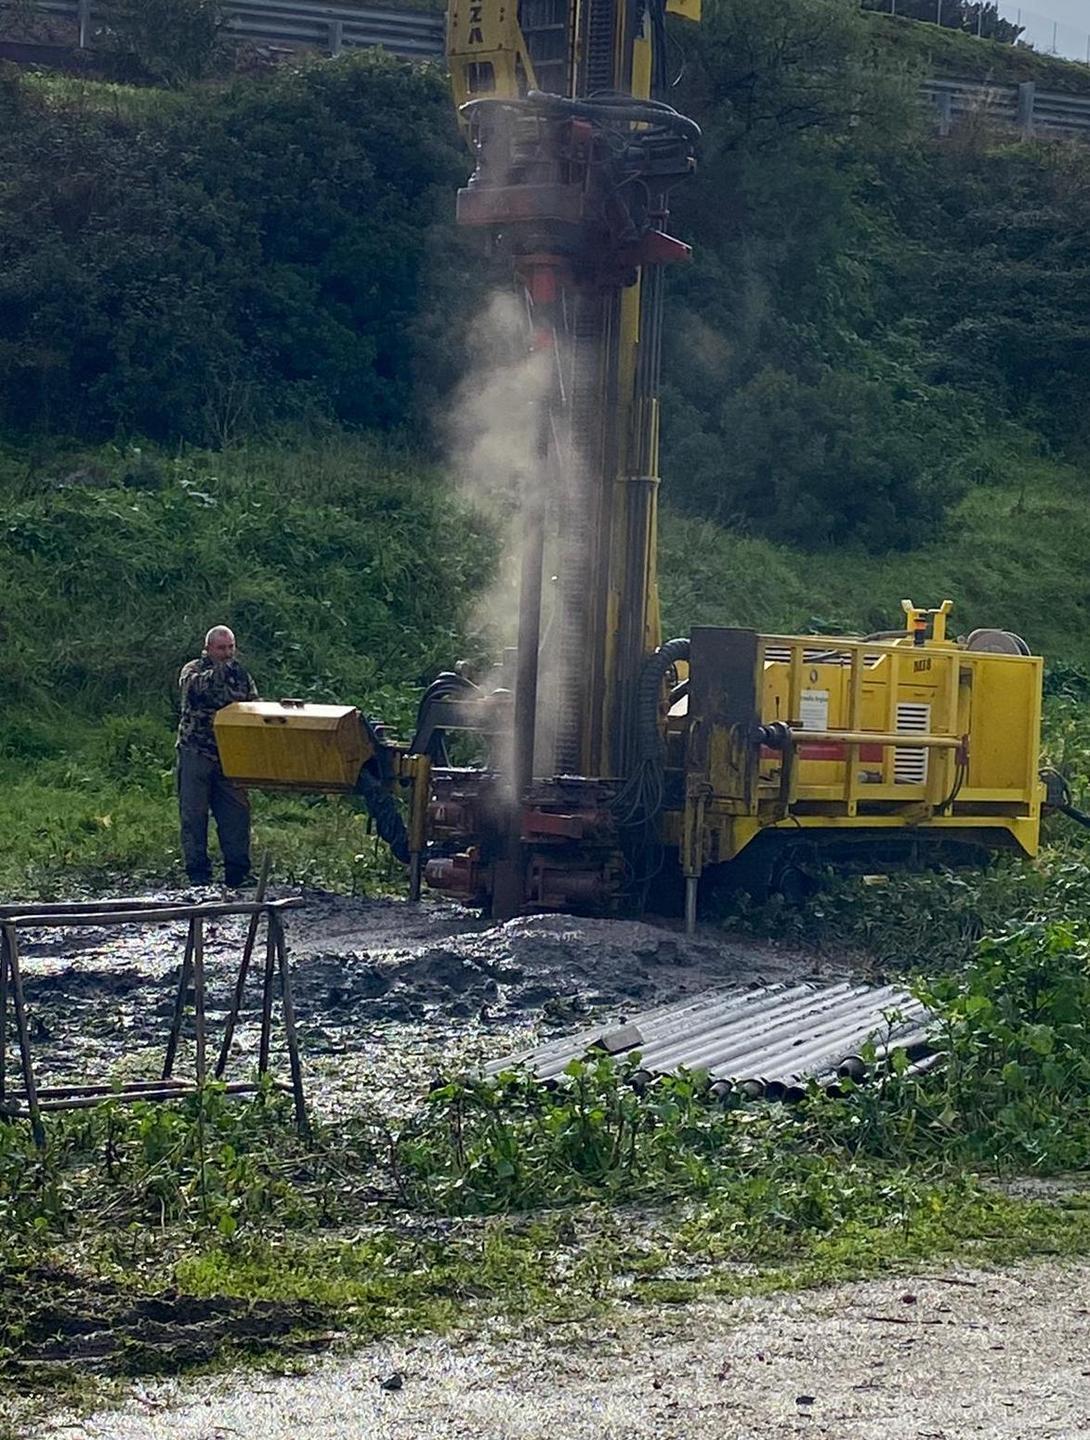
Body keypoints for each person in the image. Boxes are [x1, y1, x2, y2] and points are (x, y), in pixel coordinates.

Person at [176, 625, 259, 888]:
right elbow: (194, 690)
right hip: (196, 751)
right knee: (194, 815)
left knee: (237, 815)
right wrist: (221, 672)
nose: (227, 653)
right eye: (221, 648)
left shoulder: (242, 676)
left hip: (229, 756)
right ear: (209, 648)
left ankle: (238, 872)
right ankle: (198, 874)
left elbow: (254, 705)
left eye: (230, 647)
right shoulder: (193, 670)